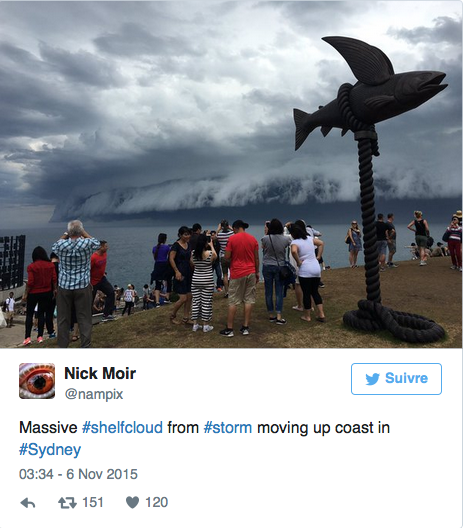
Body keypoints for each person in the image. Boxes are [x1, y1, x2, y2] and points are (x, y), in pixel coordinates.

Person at [51, 220, 101, 348]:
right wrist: (83, 232)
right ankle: (85, 345)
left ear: (69, 232)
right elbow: (97, 243)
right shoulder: (86, 244)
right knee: (84, 318)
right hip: (82, 286)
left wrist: (65, 234)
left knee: (63, 319)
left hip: (64, 287)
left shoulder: (62, 245)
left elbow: (54, 246)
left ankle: (62, 346)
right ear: (80, 231)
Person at [219, 220, 259, 337]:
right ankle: (245, 327)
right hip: (251, 271)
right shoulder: (253, 239)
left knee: (233, 301)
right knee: (248, 299)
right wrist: (257, 272)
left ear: (235, 228)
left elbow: (226, 256)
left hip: (237, 272)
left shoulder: (232, 239)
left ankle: (230, 329)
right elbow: (256, 258)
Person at [290, 223, 326, 323]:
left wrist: (298, 261)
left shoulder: (295, 242)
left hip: (305, 270)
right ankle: (321, 314)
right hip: (316, 268)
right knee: (315, 292)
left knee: (306, 293)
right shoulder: (310, 239)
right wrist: (318, 256)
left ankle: (307, 316)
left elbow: (293, 251)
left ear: (293, 233)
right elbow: (321, 243)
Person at [22, 246, 57, 345]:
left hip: (33, 293)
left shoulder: (31, 267)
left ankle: (27, 337)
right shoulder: (50, 265)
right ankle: (40, 336)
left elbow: (31, 282)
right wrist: (54, 289)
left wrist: (25, 294)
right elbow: (54, 279)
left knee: (29, 315)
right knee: (42, 314)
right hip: (47, 292)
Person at [261, 218, 291, 324]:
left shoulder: (264, 238)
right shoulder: (285, 239)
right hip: (280, 266)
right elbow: (289, 243)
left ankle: (271, 314)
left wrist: (266, 231)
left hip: (267, 266)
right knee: (279, 291)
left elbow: (263, 248)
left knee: (268, 291)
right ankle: (279, 315)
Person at [190, 233, 217, 332]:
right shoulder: (210, 254)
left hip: (196, 279)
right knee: (206, 302)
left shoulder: (193, 253)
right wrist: (212, 245)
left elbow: (192, 263)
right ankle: (206, 325)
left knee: (196, 302)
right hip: (207, 280)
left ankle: (195, 324)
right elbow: (215, 256)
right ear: (206, 243)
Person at [169, 226, 193, 325]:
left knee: (189, 296)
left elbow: (190, 258)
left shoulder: (188, 244)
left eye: (188, 234)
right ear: (180, 235)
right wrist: (176, 271)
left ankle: (186, 317)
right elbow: (171, 259)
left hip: (189, 272)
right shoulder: (176, 245)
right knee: (183, 298)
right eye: (185, 234)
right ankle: (172, 316)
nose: (187, 236)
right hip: (180, 272)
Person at [90, 240, 116, 322]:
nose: (107, 248)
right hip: (93, 281)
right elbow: (87, 270)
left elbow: (101, 266)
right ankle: (87, 319)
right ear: (100, 247)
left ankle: (106, 314)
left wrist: (103, 273)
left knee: (111, 293)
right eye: (105, 246)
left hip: (101, 278)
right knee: (89, 300)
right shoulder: (93, 257)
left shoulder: (104, 254)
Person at [151, 233, 172, 307]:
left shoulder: (154, 248)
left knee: (158, 284)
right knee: (168, 281)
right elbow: (170, 257)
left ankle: (157, 302)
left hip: (157, 266)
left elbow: (155, 258)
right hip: (165, 265)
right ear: (165, 239)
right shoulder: (167, 247)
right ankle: (167, 298)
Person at [217, 220, 234, 297]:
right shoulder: (231, 234)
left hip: (223, 256)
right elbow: (238, 234)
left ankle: (226, 292)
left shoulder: (219, 235)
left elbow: (213, 237)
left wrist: (218, 229)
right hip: (231, 255)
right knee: (233, 274)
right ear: (227, 226)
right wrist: (231, 228)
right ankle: (233, 291)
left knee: (225, 275)